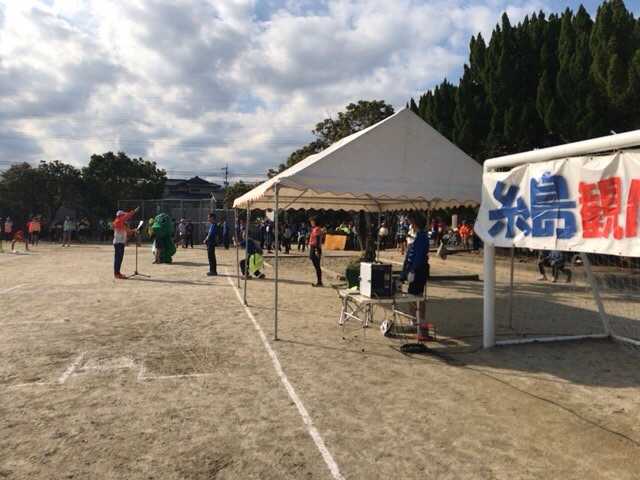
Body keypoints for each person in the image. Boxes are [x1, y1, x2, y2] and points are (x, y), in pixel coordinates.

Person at [401, 213, 429, 322]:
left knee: (413, 296)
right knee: (417, 296)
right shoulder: (419, 236)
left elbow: (418, 256)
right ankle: (418, 320)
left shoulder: (421, 237)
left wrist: (412, 270)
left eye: (411, 223)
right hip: (417, 269)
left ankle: (415, 320)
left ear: (415, 224)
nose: (411, 226)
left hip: (418, 270)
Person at [112, 208, 139, 279]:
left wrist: (134, 230)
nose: (124, 216)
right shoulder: (118, 221)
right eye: (123, 215)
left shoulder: (120, 223)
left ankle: (117, 273)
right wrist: (134, 211)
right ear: (120, 216)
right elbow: (127, 216)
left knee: (119, 259)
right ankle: (116, 274)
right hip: (118, 243)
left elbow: (128, 231)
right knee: (118, 259)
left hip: (120, 243)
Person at [308, 217, 323, 287]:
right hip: (313, 247)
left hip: (315, 247)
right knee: (316, 265)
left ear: (315, 221)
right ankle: (319, 281)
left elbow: (317, 239)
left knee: (317, 266)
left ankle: (319, 282)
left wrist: (317, 250)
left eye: (312, 221)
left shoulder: (317, 229)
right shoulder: (314, 229)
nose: (311, 223)